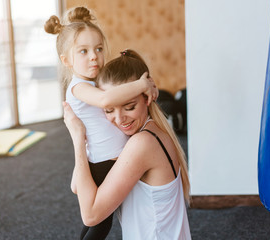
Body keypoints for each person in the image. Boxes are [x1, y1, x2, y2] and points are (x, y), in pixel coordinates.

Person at [44, 7, 158, 240]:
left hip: (106, 159)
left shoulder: (95, 82)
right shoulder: (78, 87)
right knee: (99, 224)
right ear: (66, 60)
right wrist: (141, 85)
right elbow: (107, 99)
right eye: (83, 51)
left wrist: (148, 85)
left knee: (98, 224)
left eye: (98, 49)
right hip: (104, 162)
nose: (94, 56)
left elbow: (117, 93)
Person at [63, 49, 191, 240]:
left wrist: (77, 138)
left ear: (147, 98)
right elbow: (77, 186)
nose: (119, 118)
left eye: (129, 107)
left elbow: (90, 215)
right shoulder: (143, 134)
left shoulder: (142, 143)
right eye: (109, 109)